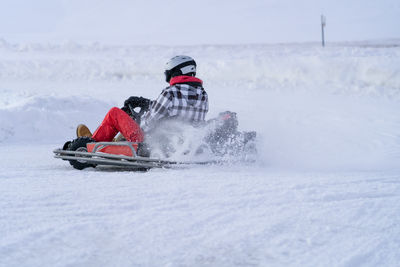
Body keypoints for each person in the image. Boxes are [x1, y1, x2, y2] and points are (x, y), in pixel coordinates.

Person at [76, 55, 209, 145]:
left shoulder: (170, 93)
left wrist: (136, 119)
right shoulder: (203, 95)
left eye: (168, 73)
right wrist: (146, 103)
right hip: (177, 144)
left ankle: (91, 144)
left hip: (149, 143)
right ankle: (112, 141)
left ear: (177, 72)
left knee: (115, 113)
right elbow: (177, 110)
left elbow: (150, 122)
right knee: (132, 120)